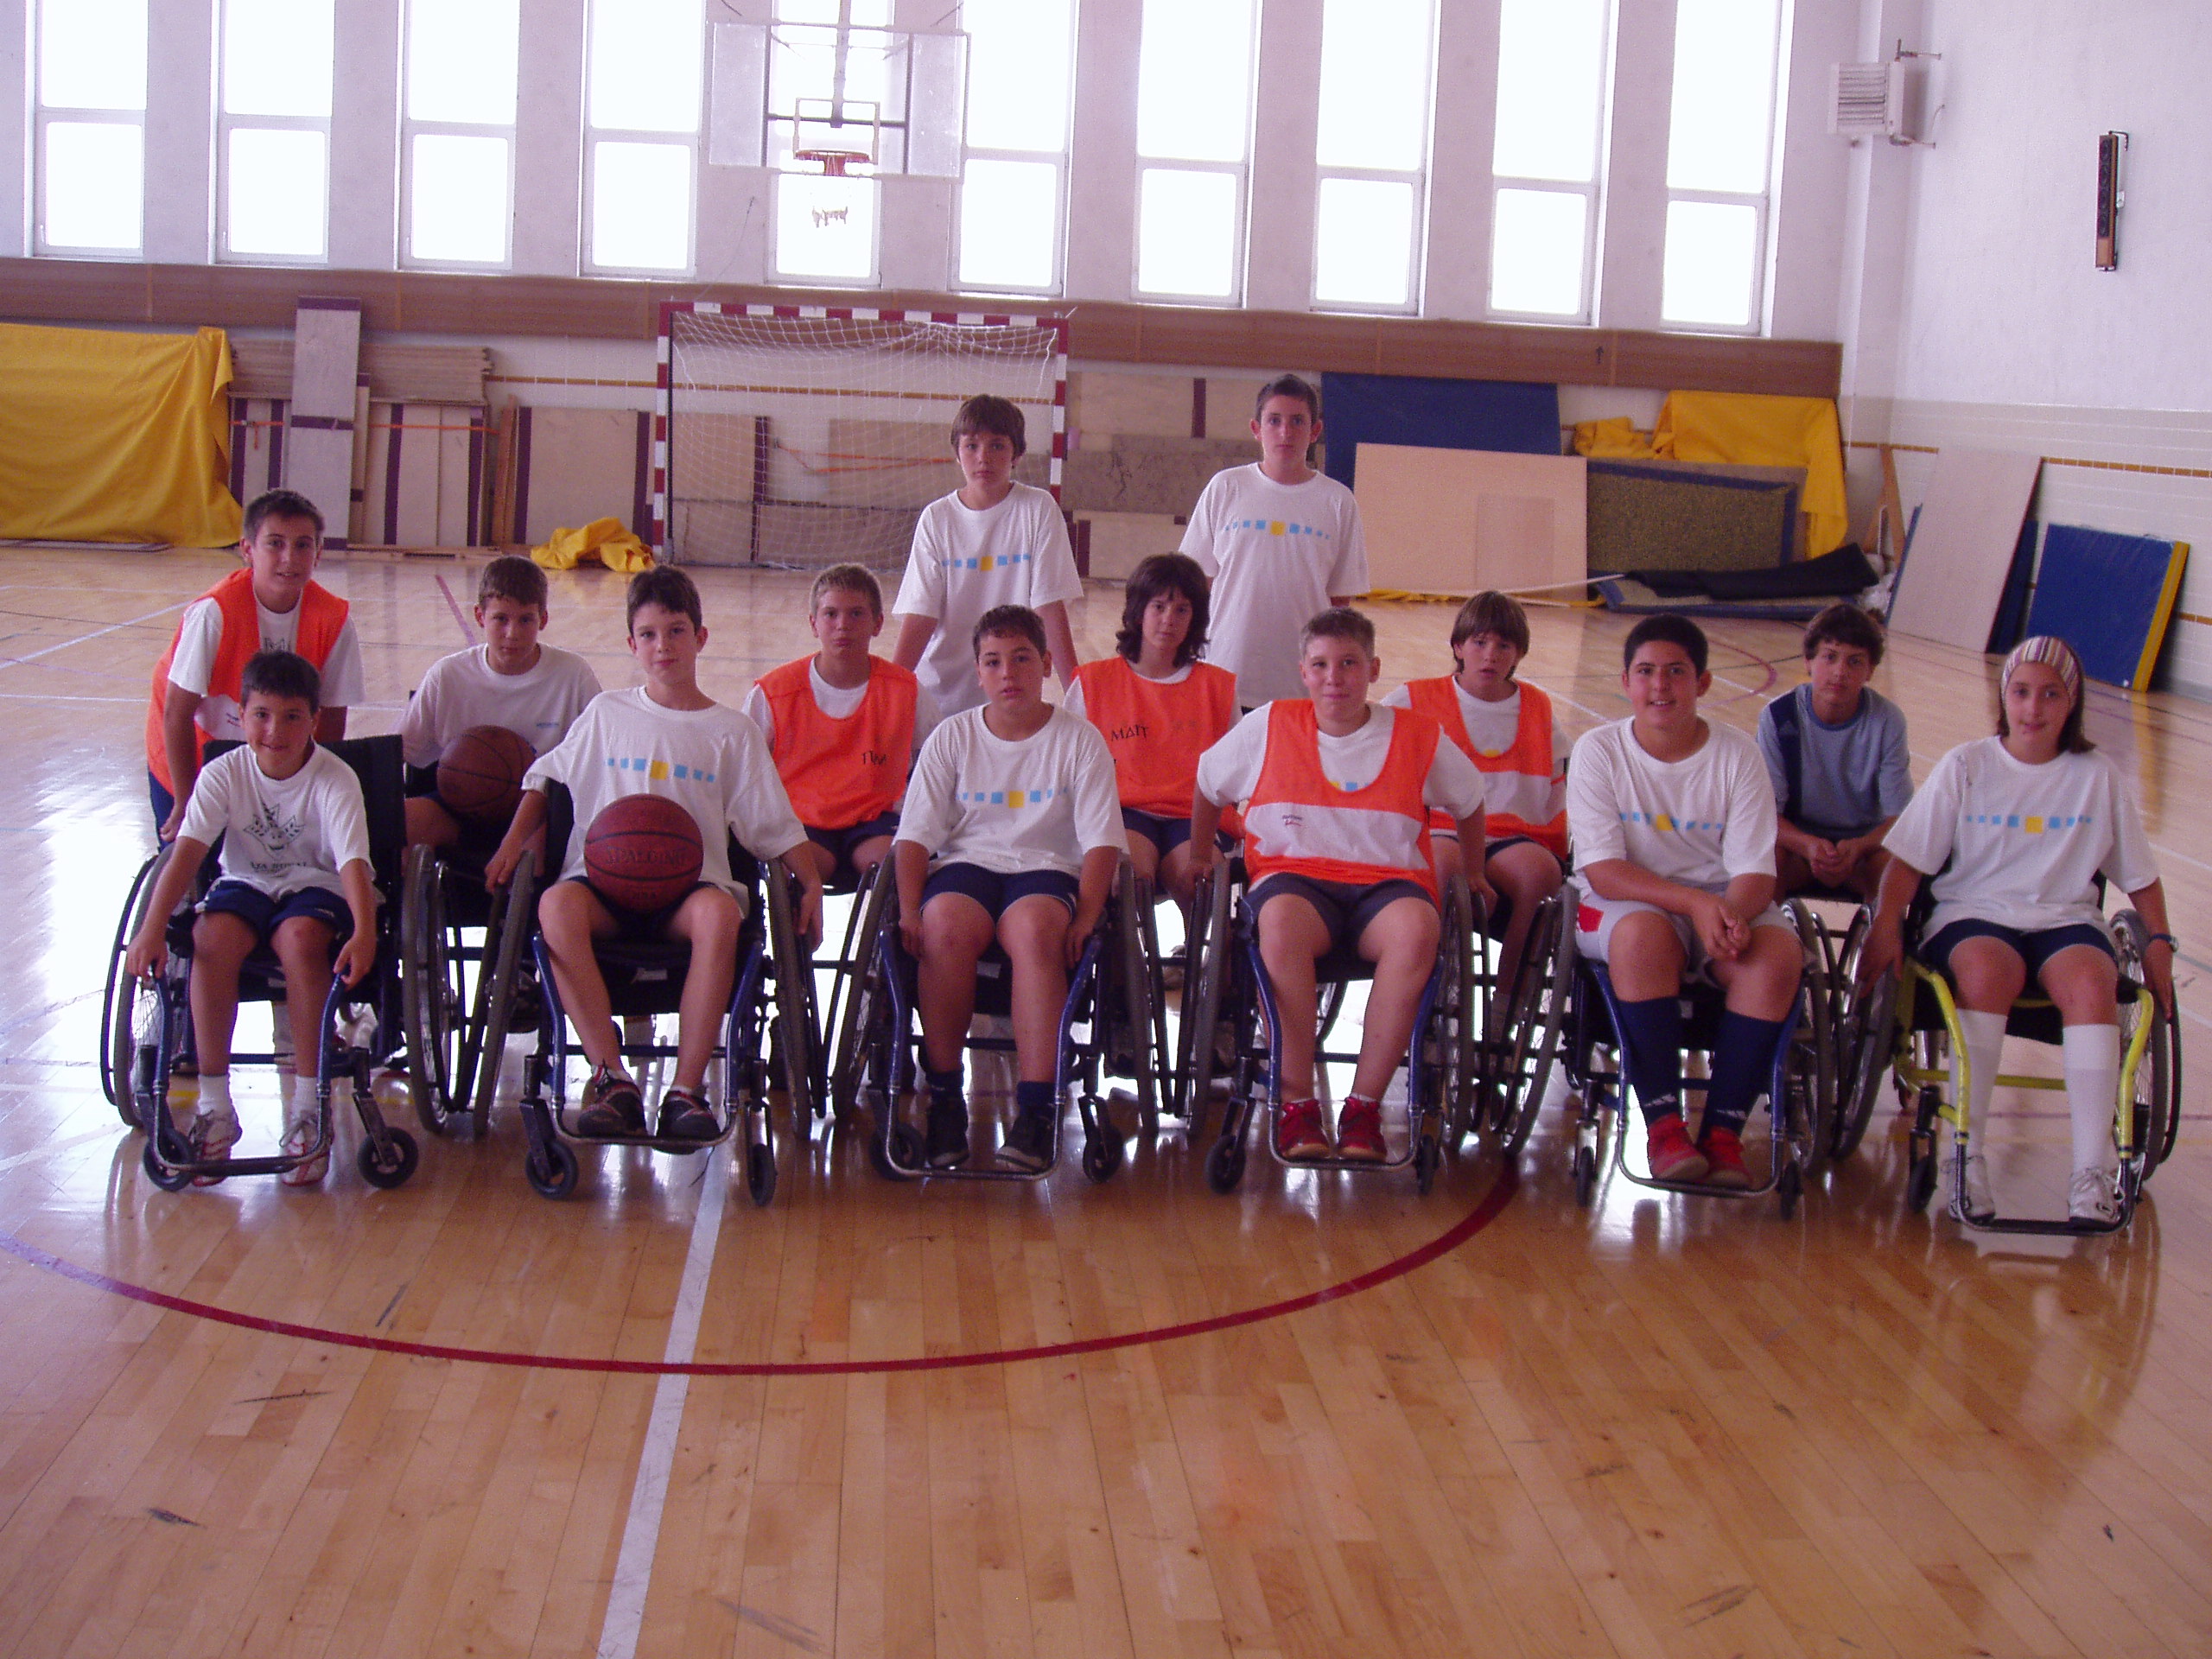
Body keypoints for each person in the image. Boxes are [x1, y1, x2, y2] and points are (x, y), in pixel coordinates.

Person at [485, 567, 823, 1142]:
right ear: (631, 645)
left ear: (701, 638)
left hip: (688, 891)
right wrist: (514, 839)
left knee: (720, 914)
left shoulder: (731, 731)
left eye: (676, 630)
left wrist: (811, 883)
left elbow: (772, 822)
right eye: (648, 634)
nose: (662, 646)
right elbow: (545, 778)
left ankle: (685, 1092)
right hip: (604, 887)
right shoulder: (607, 713)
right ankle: (612, 1076)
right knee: (556, 908)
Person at [1857, 635, 2174, 1224]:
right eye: (2023, 693)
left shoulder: (2096, 776)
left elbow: (2141, 877)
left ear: (2070, 704)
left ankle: (2090, 1171)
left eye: (2050, 695)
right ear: (2005, 698)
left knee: (2091, 980)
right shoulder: (1967, 765)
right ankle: (1966, 1157)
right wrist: (1885, 924)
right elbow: (1907, 863)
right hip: (1973, 913)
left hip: (2063, 917)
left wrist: (2158, 943)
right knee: (1986, 969)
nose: (2034, 708)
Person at [1189, 607, 1488, 1163]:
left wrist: (1473, 872)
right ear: (1303, 671)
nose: (1335, 677)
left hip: (1387, 887)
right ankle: (1297, 1104)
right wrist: (1203, 851)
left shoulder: (1417, 735)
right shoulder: (1271, 724)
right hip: (1296, 884)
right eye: (1322, 665)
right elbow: (1207, 784)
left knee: (1420, 930)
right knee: (1276, 925)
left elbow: (1469, 802)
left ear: (1373, 670)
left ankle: (1365, 1109)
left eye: (1349, 664)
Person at [124, 651, 378, 1187]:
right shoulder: (224, 773)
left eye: (291, 717)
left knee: (302, 938)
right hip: (247, 884)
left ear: (314, 719)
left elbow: (353, 861)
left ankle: (308, 1110)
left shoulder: (335, 778)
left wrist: (364, 928)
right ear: (241, 715)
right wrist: (148, 929)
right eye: (261, 714)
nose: (274, 730)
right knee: (208, 936)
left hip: (316, 884)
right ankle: (216, 1110)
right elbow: (186, 853)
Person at [1565, 614, 1802, 1188]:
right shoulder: (1599, 751)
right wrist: (1694, 905)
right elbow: (1605, 869)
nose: (1660, 685)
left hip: (1723, 901)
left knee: (1776, 958)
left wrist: (1731, 915)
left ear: (1704, 683)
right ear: (1626, 681)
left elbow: (1754, 872)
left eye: (1676, 672)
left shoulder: (1738, 754)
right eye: (1646, 672)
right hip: (1624, 899)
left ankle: (1724, 1131)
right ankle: (1663, 1124)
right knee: (1643, 937)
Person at [891, 605, 1125, 1172]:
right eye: (993, 661)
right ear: (978, 672)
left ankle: (1037, 1108)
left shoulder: (1080, 740)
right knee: (944, 925)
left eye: (1021, 658)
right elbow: (915, 837)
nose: (1008, 672)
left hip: (1047, 868)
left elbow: (1101, 842)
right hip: (968, 863)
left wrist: (1089, 912)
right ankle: (945, 1098)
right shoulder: (953, 737)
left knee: (1036, 929)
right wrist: (908, 910)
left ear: (1046, 663)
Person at [145, 488, 365, 840]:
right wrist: (187, 802)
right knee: (199, 865)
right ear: (248, 549)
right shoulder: (214, 614)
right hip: (196, 757)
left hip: (274, 756)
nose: (289, 558)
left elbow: (333, 718)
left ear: (319, 554)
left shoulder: (335, 619)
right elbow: (176, 712)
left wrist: (313, 790)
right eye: (275, 543)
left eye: (303, 545)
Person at [1384, 589, 1568, 1003]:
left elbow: (1557, 790)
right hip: (1443, 829)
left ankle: (1511, 999)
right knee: (1441, 864)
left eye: (1503, 645)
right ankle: (1431, 991)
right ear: (1458, 647)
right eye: (1480, 643)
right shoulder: (1414, 699)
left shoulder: (1538, 707)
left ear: (1518, 654)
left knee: (1539, 874)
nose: (1491, 655)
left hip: (1512, 834)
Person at [1179, 374, 1368, 709]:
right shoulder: (1225, 488)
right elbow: (1196, 583)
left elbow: (1339, 600)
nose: (1286, 432)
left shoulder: (1338, 501)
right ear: (1256, 428)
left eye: (1298, 421)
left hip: (1301, 684)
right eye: (1274, 420)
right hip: (1227, 674)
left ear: (1315, 431)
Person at [743, 563, 935, 892]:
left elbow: (938, 765)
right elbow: (744, 772)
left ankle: (888, 941)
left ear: (877, 624)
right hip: (801, 821)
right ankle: (791, 942)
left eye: (856, 614)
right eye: (831, 614)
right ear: (813, 623)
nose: (843, 625)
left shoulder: (906, 690)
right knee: (795, 874)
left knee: (897, 869)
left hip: (878, 818)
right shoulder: (775, 691)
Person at [892, 394, 1083, 719]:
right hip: (942, 698)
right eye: (972, 446)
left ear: (1017, 453)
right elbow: (921, 616)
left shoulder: (1037, 510)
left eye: (997, 445)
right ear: (957, 453)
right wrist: (887, 691)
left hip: (1014, 694)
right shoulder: (936, 519)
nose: (984, 457)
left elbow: (1050, 608)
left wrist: (1080, 696)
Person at [1065, 552, 1237, 908]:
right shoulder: (1093, 683)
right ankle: (1126, 965)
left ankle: (1206, 964)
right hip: (1123, 812)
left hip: (1194, 818)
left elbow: (1237, 776)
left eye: (1181, 610)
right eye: (1158, 606)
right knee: (1125, 878)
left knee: (1205, 883)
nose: (1168, 620)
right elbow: (1066, 767)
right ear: (1138, 611)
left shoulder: (1219, 687)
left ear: (1196, 618)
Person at [398, 552, 602, 849]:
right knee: (400, 821)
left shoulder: (572, 675)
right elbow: (400, 751)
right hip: (460, 804)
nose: (512, 634)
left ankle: (524, 893)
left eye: (525, 620)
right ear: (480, 616)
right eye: (501, 619)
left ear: (543, 619)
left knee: (538, 843)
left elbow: (599, 756)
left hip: (537, 811)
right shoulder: (448, 675)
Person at [1757, 601, 1912, 899]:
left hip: (1864, 847)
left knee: (1899, 867)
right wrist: (1807, 845)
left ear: (1870, 671)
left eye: (1854, 661)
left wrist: (1860, 846)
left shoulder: (1887, 721)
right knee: (1762, 860)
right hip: (1797, 846)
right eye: (1830, 657)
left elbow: (1900, 819)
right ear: (1808, 662)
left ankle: (1880, 936)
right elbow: (1762, 813)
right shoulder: (1779, 717)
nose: (1840, 672)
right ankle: (1773, 936)